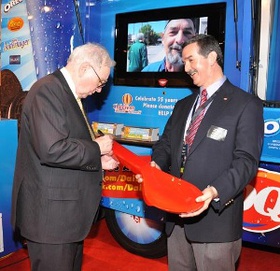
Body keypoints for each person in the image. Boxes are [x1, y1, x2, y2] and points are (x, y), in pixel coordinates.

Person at [137, 34, 264, 270]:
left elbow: (246, 161)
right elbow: (165, 145)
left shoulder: (246, 104)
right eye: (184, 62)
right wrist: (156, 165)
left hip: (215, 222)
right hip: (176, 221)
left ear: (212, 57)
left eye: (191, 60)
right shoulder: (182, 105)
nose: (186, 68)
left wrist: (214, 191)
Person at [11, 42, 119, 271]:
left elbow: (65, 147)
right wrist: (96, 148)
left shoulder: (67, 94)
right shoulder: (47, 91)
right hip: (51, 220)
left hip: (66, 218)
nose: (100, 90)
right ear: (85, 68)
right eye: (100, 82)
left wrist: (97, 162)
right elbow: (52, 149)